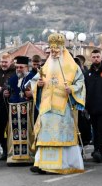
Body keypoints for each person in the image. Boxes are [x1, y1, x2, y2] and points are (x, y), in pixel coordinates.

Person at [30, 33, 86, 174]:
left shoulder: (72, 67)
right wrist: (39, 85)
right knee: (44, 136)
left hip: (63, 108)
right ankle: (40, 163)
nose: (54, 52)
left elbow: (81, 83)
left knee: (60, 137)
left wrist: (71, 89)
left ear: (62, 49)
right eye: (52, 49)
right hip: (47, 108)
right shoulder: (46, 66)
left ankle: (60, 164)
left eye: (56, 49)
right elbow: (35, 81)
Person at [4, 56, 35, 165]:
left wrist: (32, 94)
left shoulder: (33, 78)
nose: (18, 69)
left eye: (21, 67)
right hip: (13, 108)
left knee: (27, 132)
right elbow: (8, 91)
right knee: (14, 133)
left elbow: (39, 93)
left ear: (27, 67)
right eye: (17, 67)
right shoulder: (13, 78)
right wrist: (6, 94)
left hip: (27, 108)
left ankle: (29, 156)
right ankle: (14, 156)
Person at [84, 49, 102, 163]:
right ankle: (96, 149)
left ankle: (100, 150)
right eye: (94, 57)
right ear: (91, 58)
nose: (96, 59)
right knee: (94, 129)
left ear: (101, 57)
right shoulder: (88, 73)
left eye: (98, 56)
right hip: (91, 107)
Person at [0, 53, 16, 159]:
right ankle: (4, 150)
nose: (3, 64)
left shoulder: (14, 71)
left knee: (10, 128)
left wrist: (3, 89)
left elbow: (14, 84)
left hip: (10, 104)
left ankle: (12, 150)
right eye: (2, 62)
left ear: (10, 62)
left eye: (5, 62)